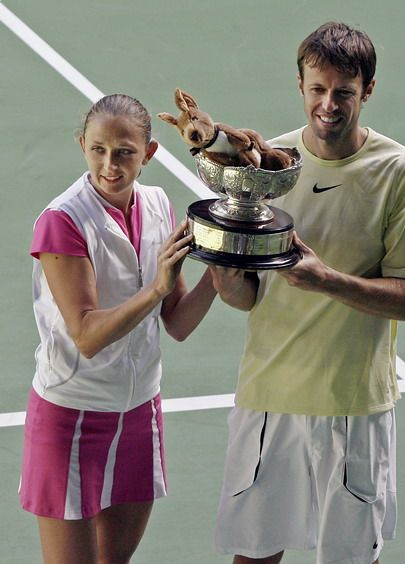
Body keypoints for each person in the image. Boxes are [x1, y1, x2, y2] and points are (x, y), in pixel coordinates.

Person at [210, 21, 405, 564]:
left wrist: (325, 279)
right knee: (253, 555)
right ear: (300, 86)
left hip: (353, 404)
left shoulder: (402, 173)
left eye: (344, 91)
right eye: (318, 89)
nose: (329, 103)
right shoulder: (271, 167)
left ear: (368, 90)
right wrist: (223, 267)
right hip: (269, 398)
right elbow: (247, 298)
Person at [19, 94, 217, 563]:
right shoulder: (62, 222)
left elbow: (178, 323)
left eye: (125, 152)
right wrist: (154, 290)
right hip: (71, 419)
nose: (110, 164)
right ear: (83, 145)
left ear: (148, 153)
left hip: (138, 413)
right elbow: (85, 335)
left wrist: (220, 269)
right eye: (98, 150)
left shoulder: (157, 205)